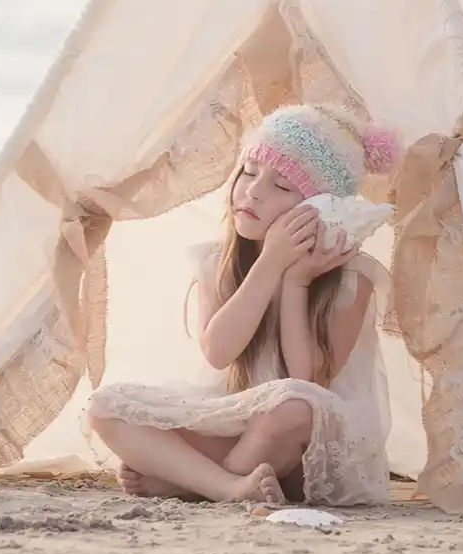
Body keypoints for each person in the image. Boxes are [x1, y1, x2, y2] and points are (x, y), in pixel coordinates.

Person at [85, 102, 398, 506]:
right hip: (242, 431)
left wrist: (296, 279)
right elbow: (218, 352)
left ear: (320, 209)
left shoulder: (353, 278)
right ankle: (226, 485)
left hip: (305, 448)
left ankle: (191, 482)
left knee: (292, 407)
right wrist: (269, 262)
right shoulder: (217, 262)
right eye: (249, 173)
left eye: (282, 187)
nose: (252, 192)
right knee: (107, 407)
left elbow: (308, 380)